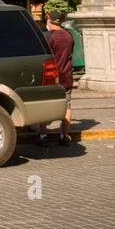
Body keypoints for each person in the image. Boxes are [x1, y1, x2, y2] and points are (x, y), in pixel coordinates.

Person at [38, 12, 75, 146]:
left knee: (44, 105)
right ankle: (63, 136)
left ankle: (43, 135)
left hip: (49, 77)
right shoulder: (68, 36)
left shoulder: (46, 37)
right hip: (66, 76)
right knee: (67, 107)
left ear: (49, 20)